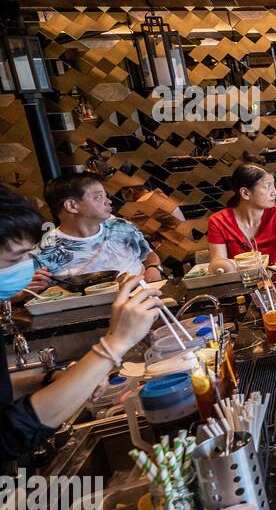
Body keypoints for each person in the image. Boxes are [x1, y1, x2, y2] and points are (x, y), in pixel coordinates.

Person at [1, 187, 163, 458]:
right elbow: (10, 435)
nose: (28, 266)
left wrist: (49, 378)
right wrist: (114, 344)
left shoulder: (122, 228)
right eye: (16, 259)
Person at [30, 174, 164, 294]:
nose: (108, 201)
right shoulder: (45, 250)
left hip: (144, 296)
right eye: (98, 197)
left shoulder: (121, 226)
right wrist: (30, 290)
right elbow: (16, 294)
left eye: (106, 196)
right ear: (72, 206)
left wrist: (153, 268)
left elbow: (148, 255)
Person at [207, 163, 276, 265]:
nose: (275, 192)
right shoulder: (218, 221)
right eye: (268, 186)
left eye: (273, 186)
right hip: (242, 280)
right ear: (245, 193)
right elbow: (219, 264)